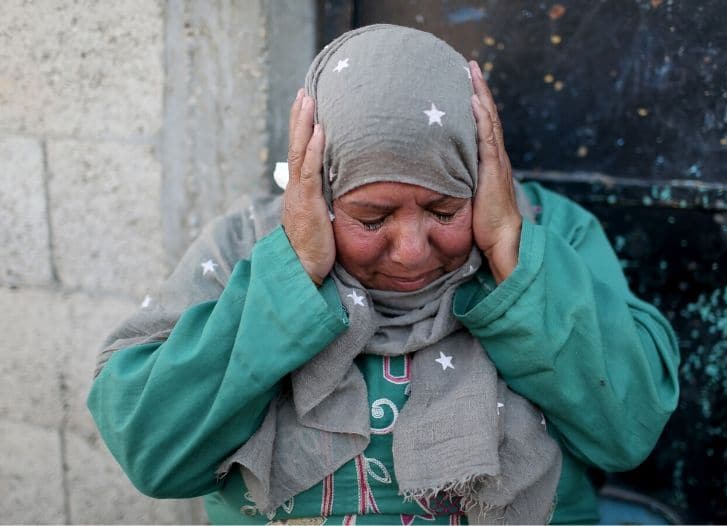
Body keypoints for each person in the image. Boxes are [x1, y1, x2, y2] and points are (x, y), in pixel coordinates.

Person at [88, 25, 680, 525]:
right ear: (320, 191)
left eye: (445, 210)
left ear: (479, 170)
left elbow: (624, 429)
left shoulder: (547, 233)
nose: (412, 252)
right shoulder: (243, 246)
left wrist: (510, 251)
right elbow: (154, 454)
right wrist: (291, 274)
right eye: (371, 218)